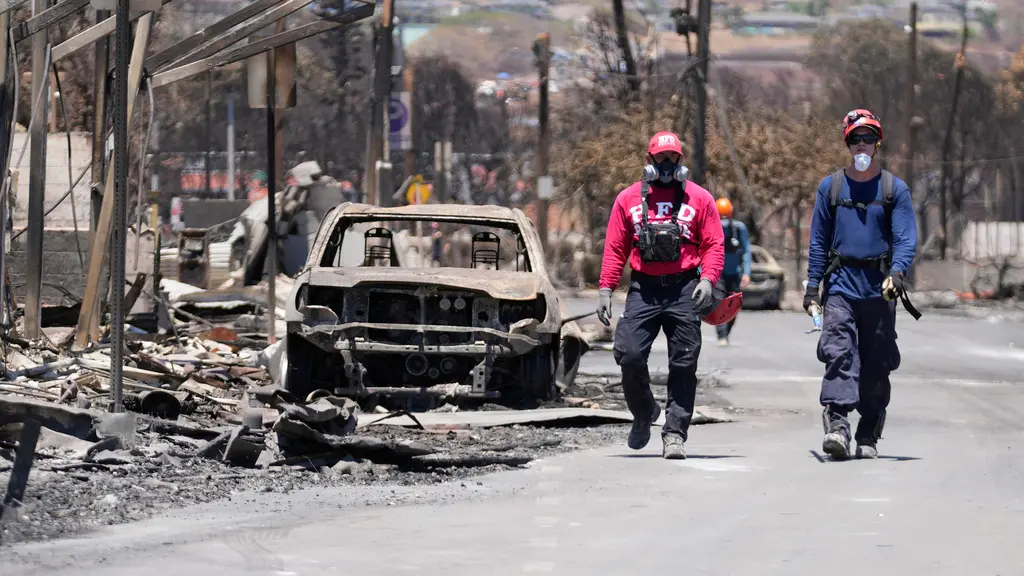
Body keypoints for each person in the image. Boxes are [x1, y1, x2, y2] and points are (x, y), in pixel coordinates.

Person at [596, 131, 725, 460]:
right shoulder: (627, 200)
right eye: (661, 158)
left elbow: (713, 245)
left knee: (684, 361)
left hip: (685, 289)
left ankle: (675, 433)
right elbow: (615, 248)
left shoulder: (700, 199)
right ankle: (644, 412)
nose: (667, 164)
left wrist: (708, 280)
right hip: (644, 289)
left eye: (673, 158)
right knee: (629, 354)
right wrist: (606, 288)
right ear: (648, 161)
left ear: (681, 161)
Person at [804, 108, 920, 461]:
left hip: (880, 290)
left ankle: (868, 430)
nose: (862, 144)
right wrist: (812, 288)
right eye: (856, 138)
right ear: (847, 143)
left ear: (878, 142)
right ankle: (837, 425)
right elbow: (818, 241)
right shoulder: (831, 188)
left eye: (868, 137)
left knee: (876, 364)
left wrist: (896, 274)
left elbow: (905, 239)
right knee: (839, 354)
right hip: (840, 288)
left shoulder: (893, 189)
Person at [714, 197, 751, 346]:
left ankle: (726, 331)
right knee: (719, 303)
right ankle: (721, 334)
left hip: (734, 274)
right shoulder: (711, 227)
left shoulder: (738, 229)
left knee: (734, 305)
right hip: (717, 274)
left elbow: (746, 251)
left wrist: (747, 273)